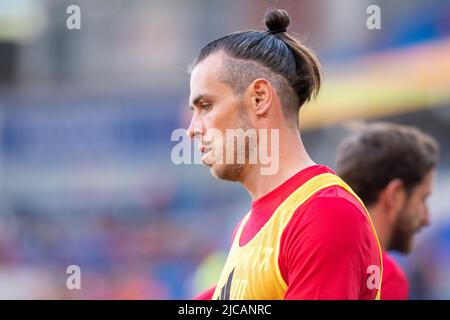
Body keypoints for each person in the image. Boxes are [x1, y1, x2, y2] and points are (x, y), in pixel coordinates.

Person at [188, 9, 382, 300]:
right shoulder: (248, 227)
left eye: (205, 106)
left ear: (259, 98)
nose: (192, 130)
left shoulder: (326, 214)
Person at [336, 122, 440, 299]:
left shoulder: (305, 250)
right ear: (395, 195)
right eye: (422, 199)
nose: (426, 218)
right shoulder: (385, 278)